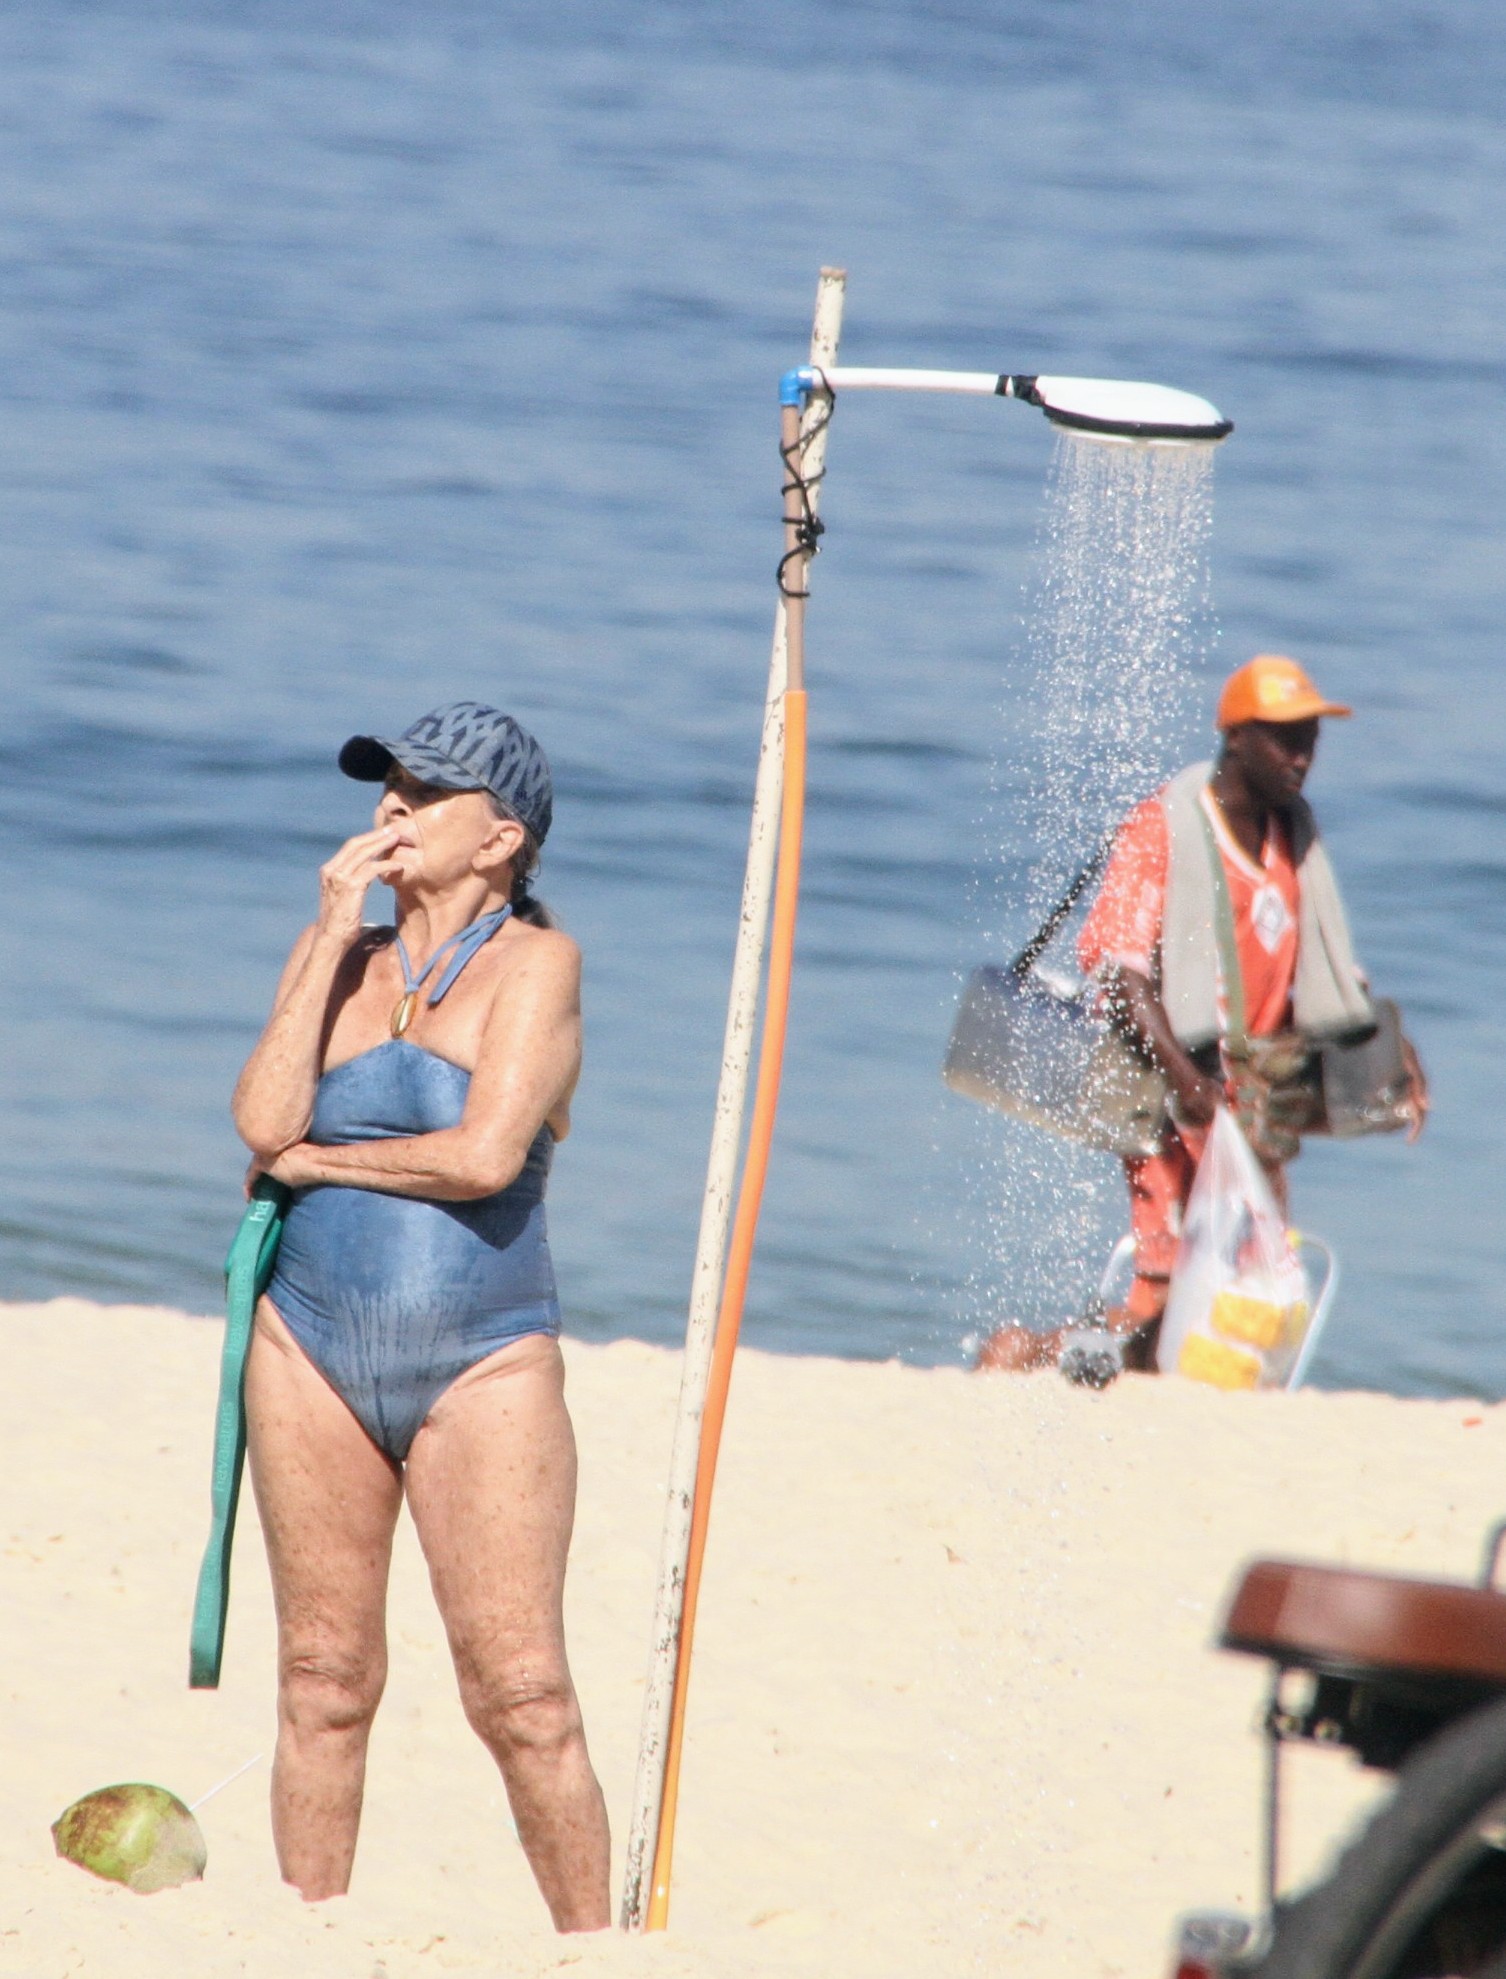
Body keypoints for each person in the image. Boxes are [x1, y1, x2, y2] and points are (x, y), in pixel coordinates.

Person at [231, 700, 610, 1928]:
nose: (389, 804)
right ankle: (309, 1936)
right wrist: (329, 929)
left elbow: (485, 1156)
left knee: (522, 1691)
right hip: (307, 1344)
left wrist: (322, 1165)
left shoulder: (537, 965)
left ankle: (591, 1947)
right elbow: (260, 1120)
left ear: (500, 836)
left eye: (423, 789)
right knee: (321, 1677)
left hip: (482, 1358)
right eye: (383, 781)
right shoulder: (338, 953)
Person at [977, 654, 1428, 1374]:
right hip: (1174, 1103)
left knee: (1226, 1290)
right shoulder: (1164, 826)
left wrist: (1392, 1053)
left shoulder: (1293, 836)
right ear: (1236, 737)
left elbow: (1327, 970)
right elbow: (1121, 978)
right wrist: (1191, 1087)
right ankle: (1021, 1355)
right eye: (1284, 738)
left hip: (1252, 1108)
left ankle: (1083, 1364)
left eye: (1309, 737)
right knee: (1163, 1292)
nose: (1303, 756)